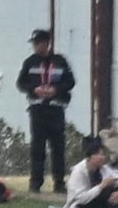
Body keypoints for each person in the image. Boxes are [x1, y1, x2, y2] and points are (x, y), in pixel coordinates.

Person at [16, 27, 78, 193]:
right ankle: (36, 182)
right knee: (37, 147)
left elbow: (70, 82)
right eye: (35, 44)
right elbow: (21, 83)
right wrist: (34, 89)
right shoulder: (29, 62)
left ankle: (59, 182)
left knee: (58, 147)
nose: (37, 47)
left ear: (47, 43)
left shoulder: (60, 61)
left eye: (39, 43)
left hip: (56, 109)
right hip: (37, 109)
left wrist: (56, 90)